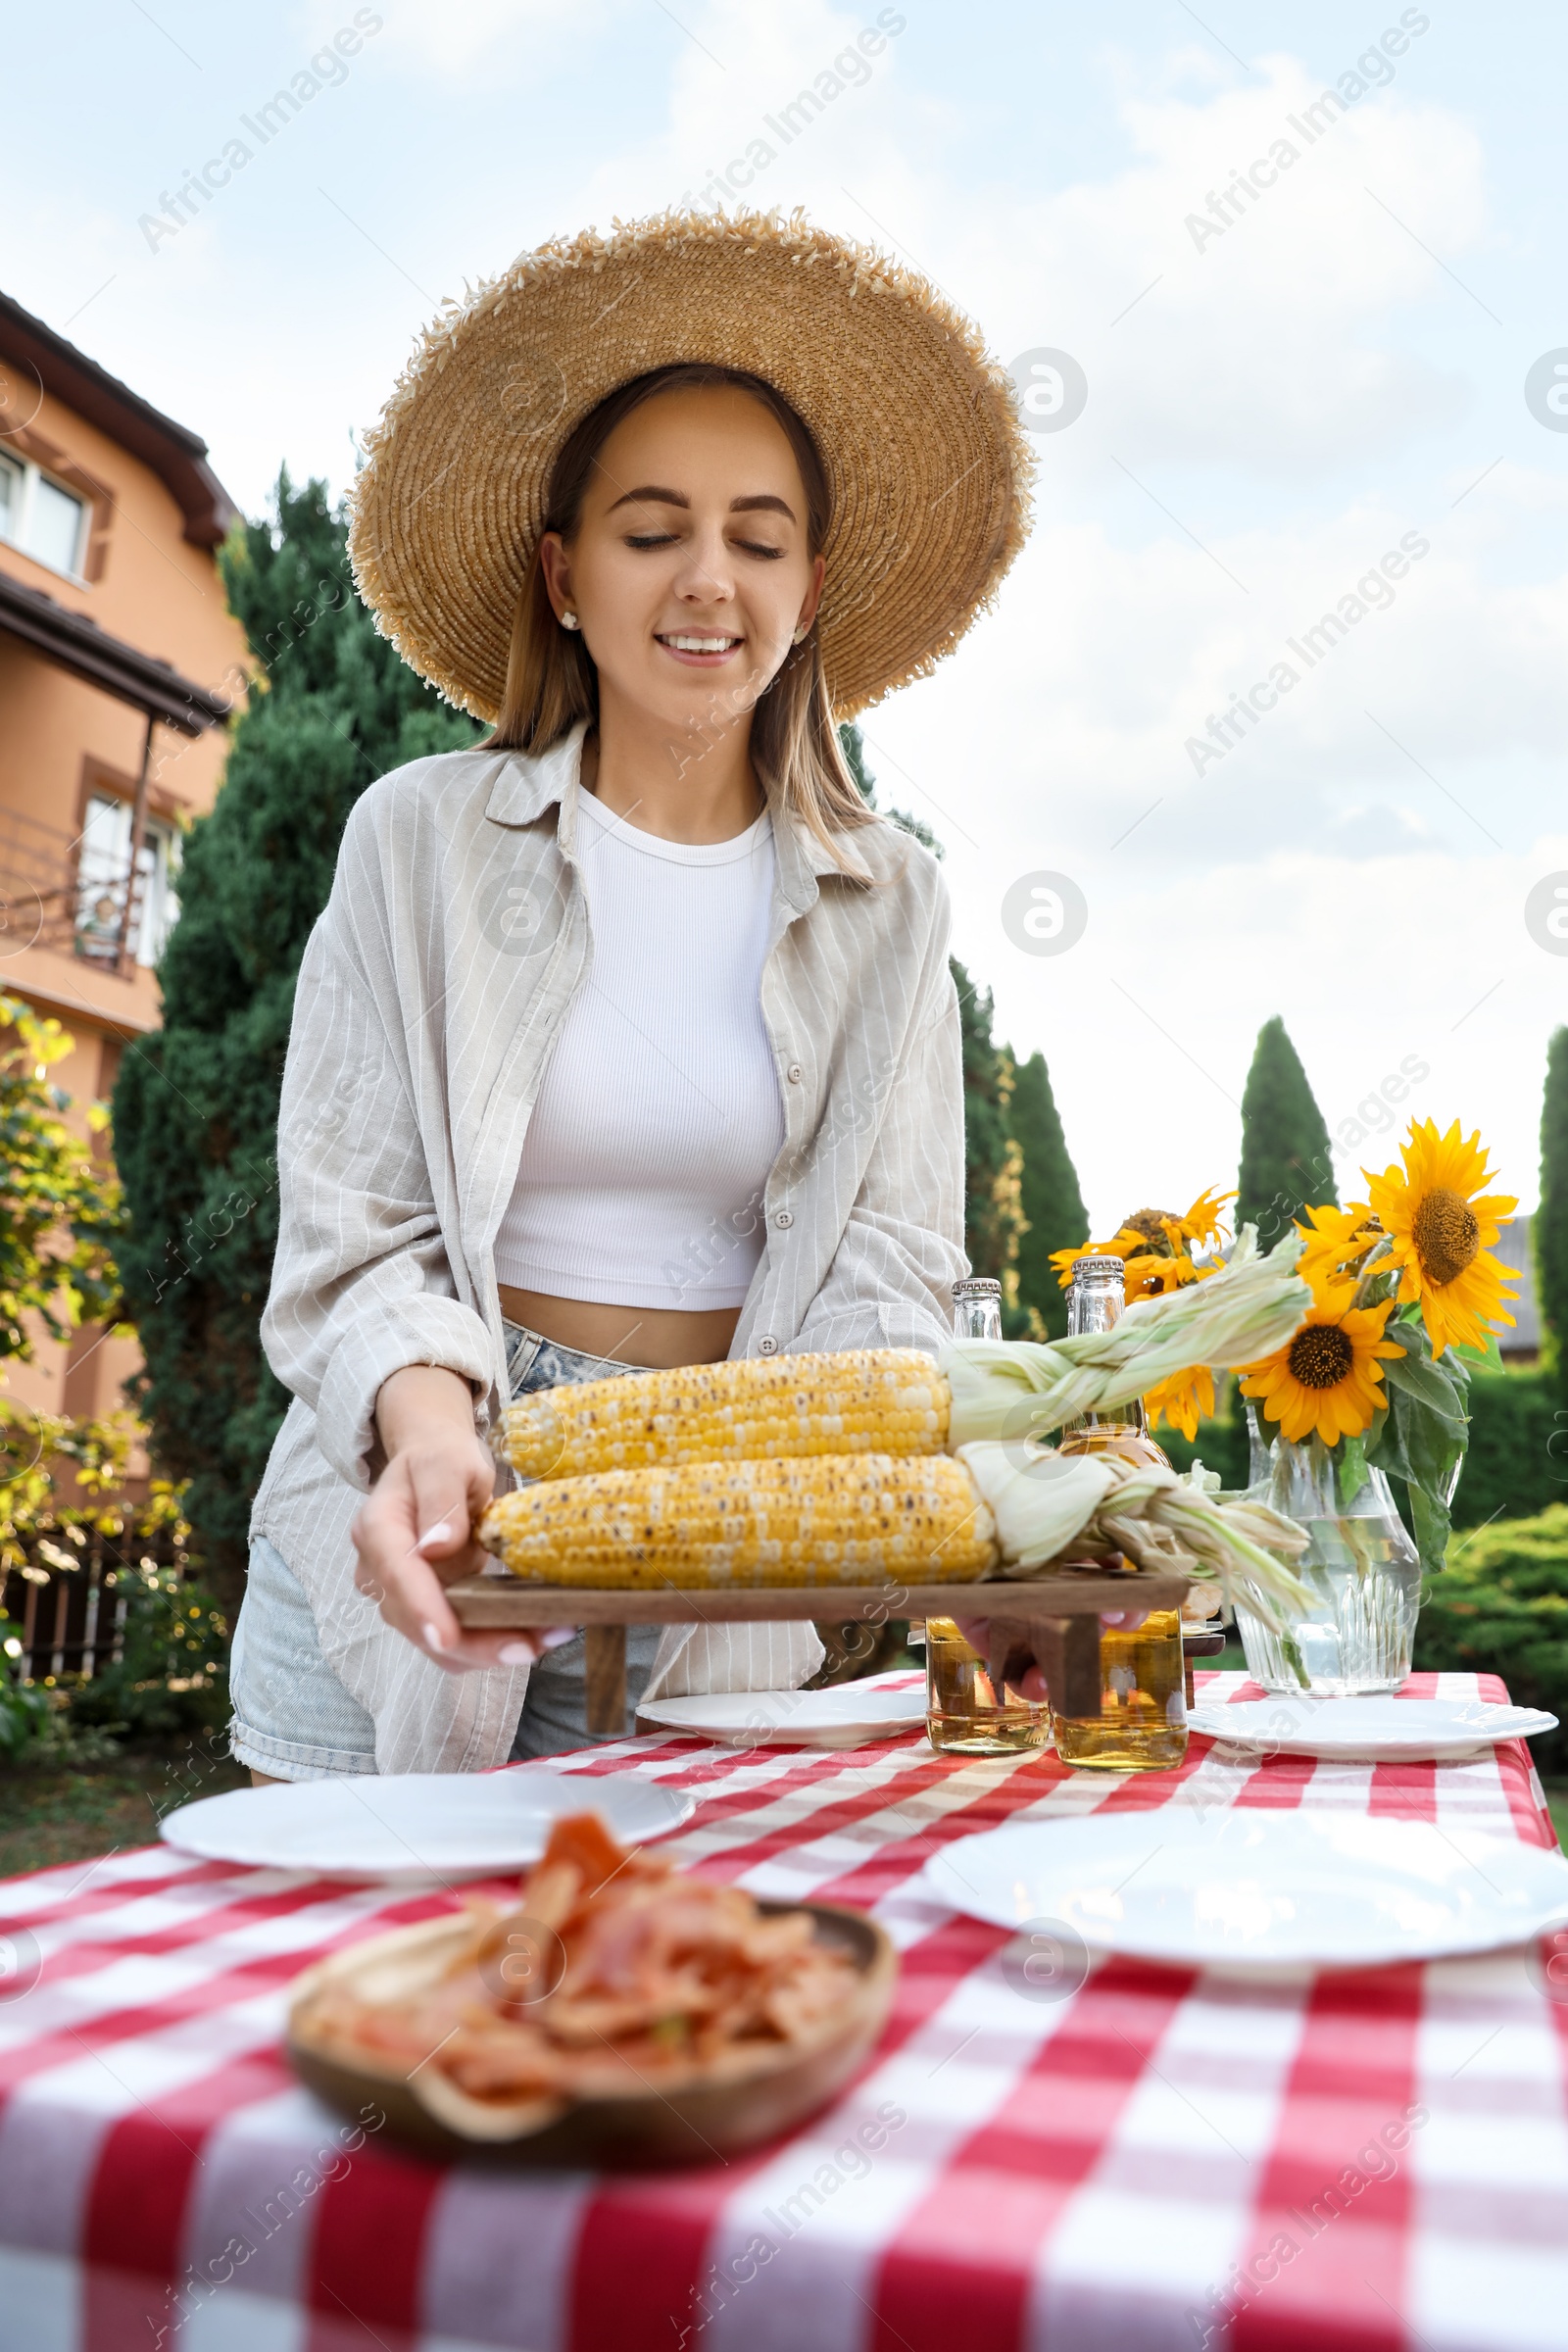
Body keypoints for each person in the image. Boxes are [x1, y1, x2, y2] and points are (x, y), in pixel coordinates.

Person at [227, 209, 1032, 1780]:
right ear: (566, 573)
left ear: (811, 586)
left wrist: (762, 1481)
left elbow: (896, 1260)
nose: (707, 582)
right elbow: (348, 1226)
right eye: (652, 530)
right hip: (417, 1505)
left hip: (727, 1531)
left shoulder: (894, 901)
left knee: (672, 1995)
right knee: (376, 1999)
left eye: (760, 536)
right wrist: (432, 1424)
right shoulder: (418, 843)